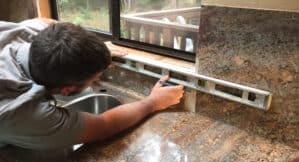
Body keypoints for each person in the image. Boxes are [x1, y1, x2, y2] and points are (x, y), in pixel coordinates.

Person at [0, 18, 184, 150]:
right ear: (66, 90)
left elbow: (48, 23)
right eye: (94, 79)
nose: (96, 82)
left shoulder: (25, 32)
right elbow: (104, 125)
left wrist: (91, 49)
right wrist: (152, 103)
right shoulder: (20, 111)